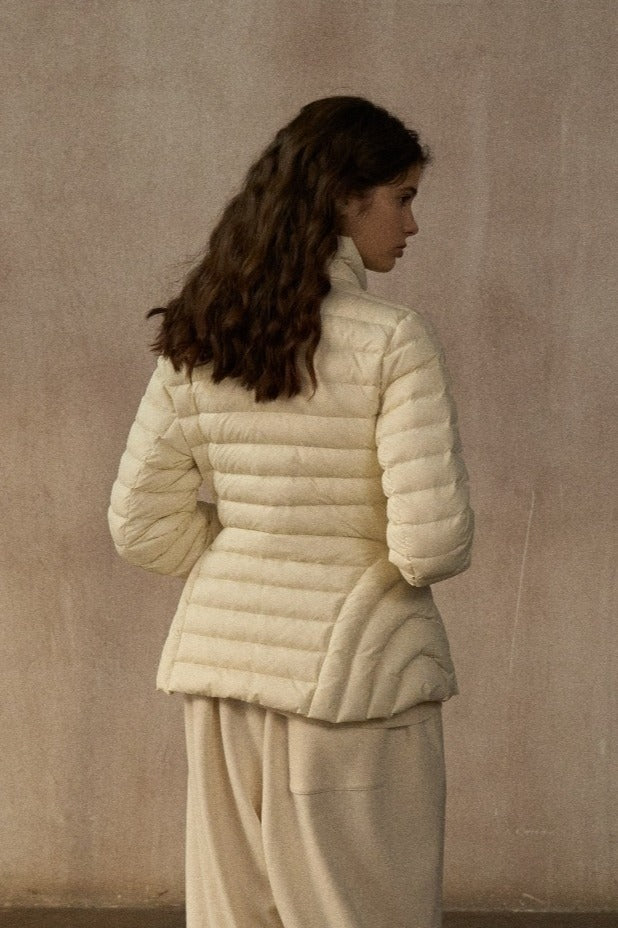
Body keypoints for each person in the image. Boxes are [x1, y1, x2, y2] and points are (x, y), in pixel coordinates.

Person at [108, 96, 474, 928]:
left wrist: (250, 550)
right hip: (359, 680)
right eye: (402, 197)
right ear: (345, 197)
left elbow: (142, 527)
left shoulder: (203, 336)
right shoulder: (392, 339)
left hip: (223, 667)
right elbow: (431, 542)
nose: (412, 224)